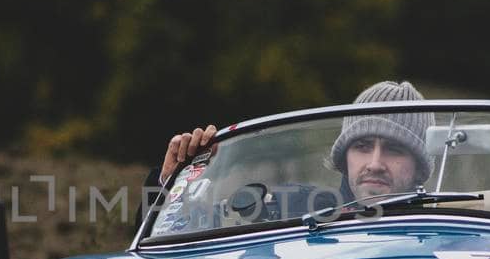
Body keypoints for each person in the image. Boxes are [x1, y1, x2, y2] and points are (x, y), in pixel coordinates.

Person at [156, 80, 433, 203]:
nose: (374, 163)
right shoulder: (292, 209)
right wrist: (173, 185)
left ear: (420, 166)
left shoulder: (449, 237)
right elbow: (194, 254)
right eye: (362, 146)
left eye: (394, 149)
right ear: (344, 157)